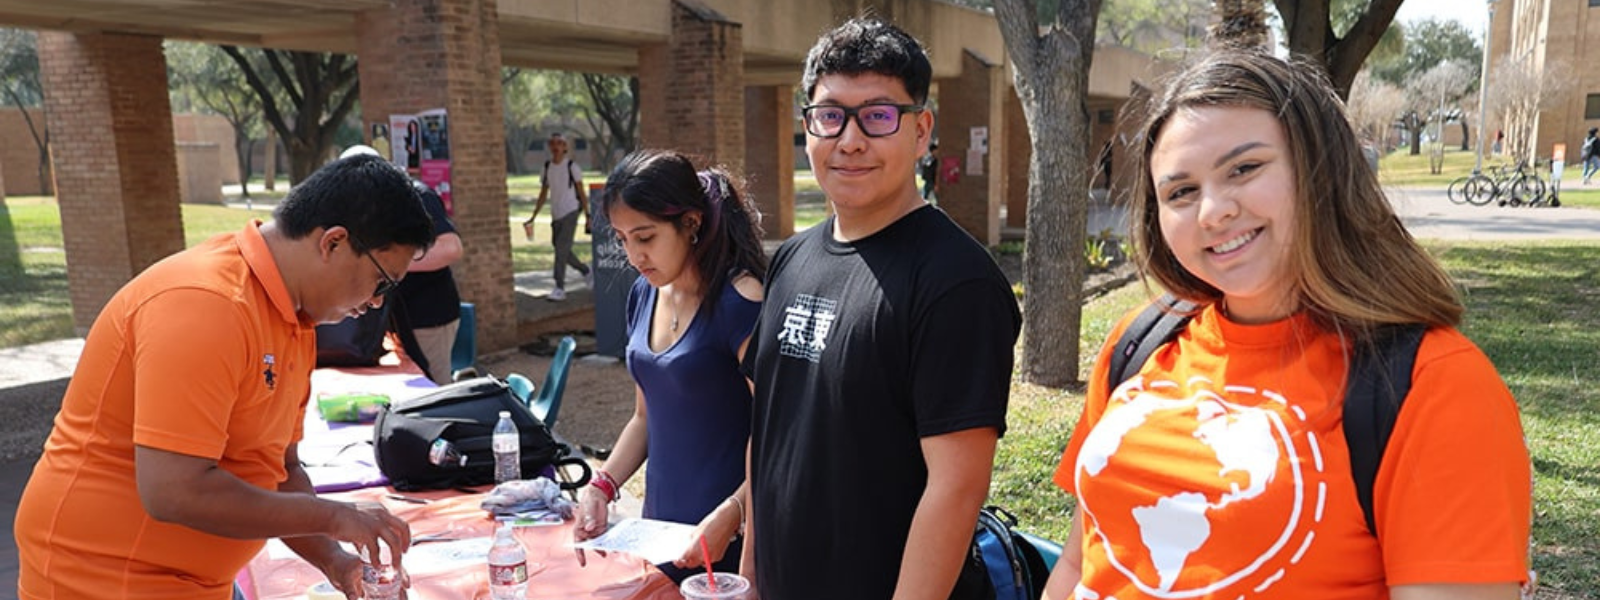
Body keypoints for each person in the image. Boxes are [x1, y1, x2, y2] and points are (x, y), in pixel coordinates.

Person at [1041, 49, 1532, 599]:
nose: (1212, 211)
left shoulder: (1436, 386)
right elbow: (1081, 563)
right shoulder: (1137, 344)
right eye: (1180, 192)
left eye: (1244, 169)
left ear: (1322, 169)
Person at [14, 154, 431, 599]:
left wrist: (337, 561)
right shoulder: (206, 303)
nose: (375, 302)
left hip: (195, 582)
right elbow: (174, 491)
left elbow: (279, 471)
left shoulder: (294, 317)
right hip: (105, 580)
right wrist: (331, 515)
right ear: (333, 243)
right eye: (381, 281)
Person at [741, 18, 1022, 600]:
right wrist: (750, 576)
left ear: (921, 131)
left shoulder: (955, 281)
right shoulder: (792, 258)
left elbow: (957, 489)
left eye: (877, 115)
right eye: (830, 115)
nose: (849, 140)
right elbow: (767, 438)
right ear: (808, 127)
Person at [572, 149, 767, 583]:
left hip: (729, 535)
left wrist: (735, 513)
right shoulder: (643, 295)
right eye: (622, 240)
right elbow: (645, 417)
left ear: (691, 223)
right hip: (660, 532)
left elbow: (779, 431)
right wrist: (601, 487)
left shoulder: (741, 300)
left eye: (645, 237)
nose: (634, 256)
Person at [341, 144, 463, 384]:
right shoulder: (367, 206)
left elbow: (451, 248)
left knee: (435, 386)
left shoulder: (417, 197)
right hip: (397, 317)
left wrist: (390, 264)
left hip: (429, 315)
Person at [524, 133, 592, 301]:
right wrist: (534, 216)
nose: (556, 147)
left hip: (570, 212)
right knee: (562, 250)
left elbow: (582, 192)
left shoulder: (572, 167)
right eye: (553, 143)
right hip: (556, 214)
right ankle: (586, 271)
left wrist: (587, 214)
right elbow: (543, 193)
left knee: (560, 251)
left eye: (560, 143)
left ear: (565, 147)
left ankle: (559, 287)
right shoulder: (547, 168)